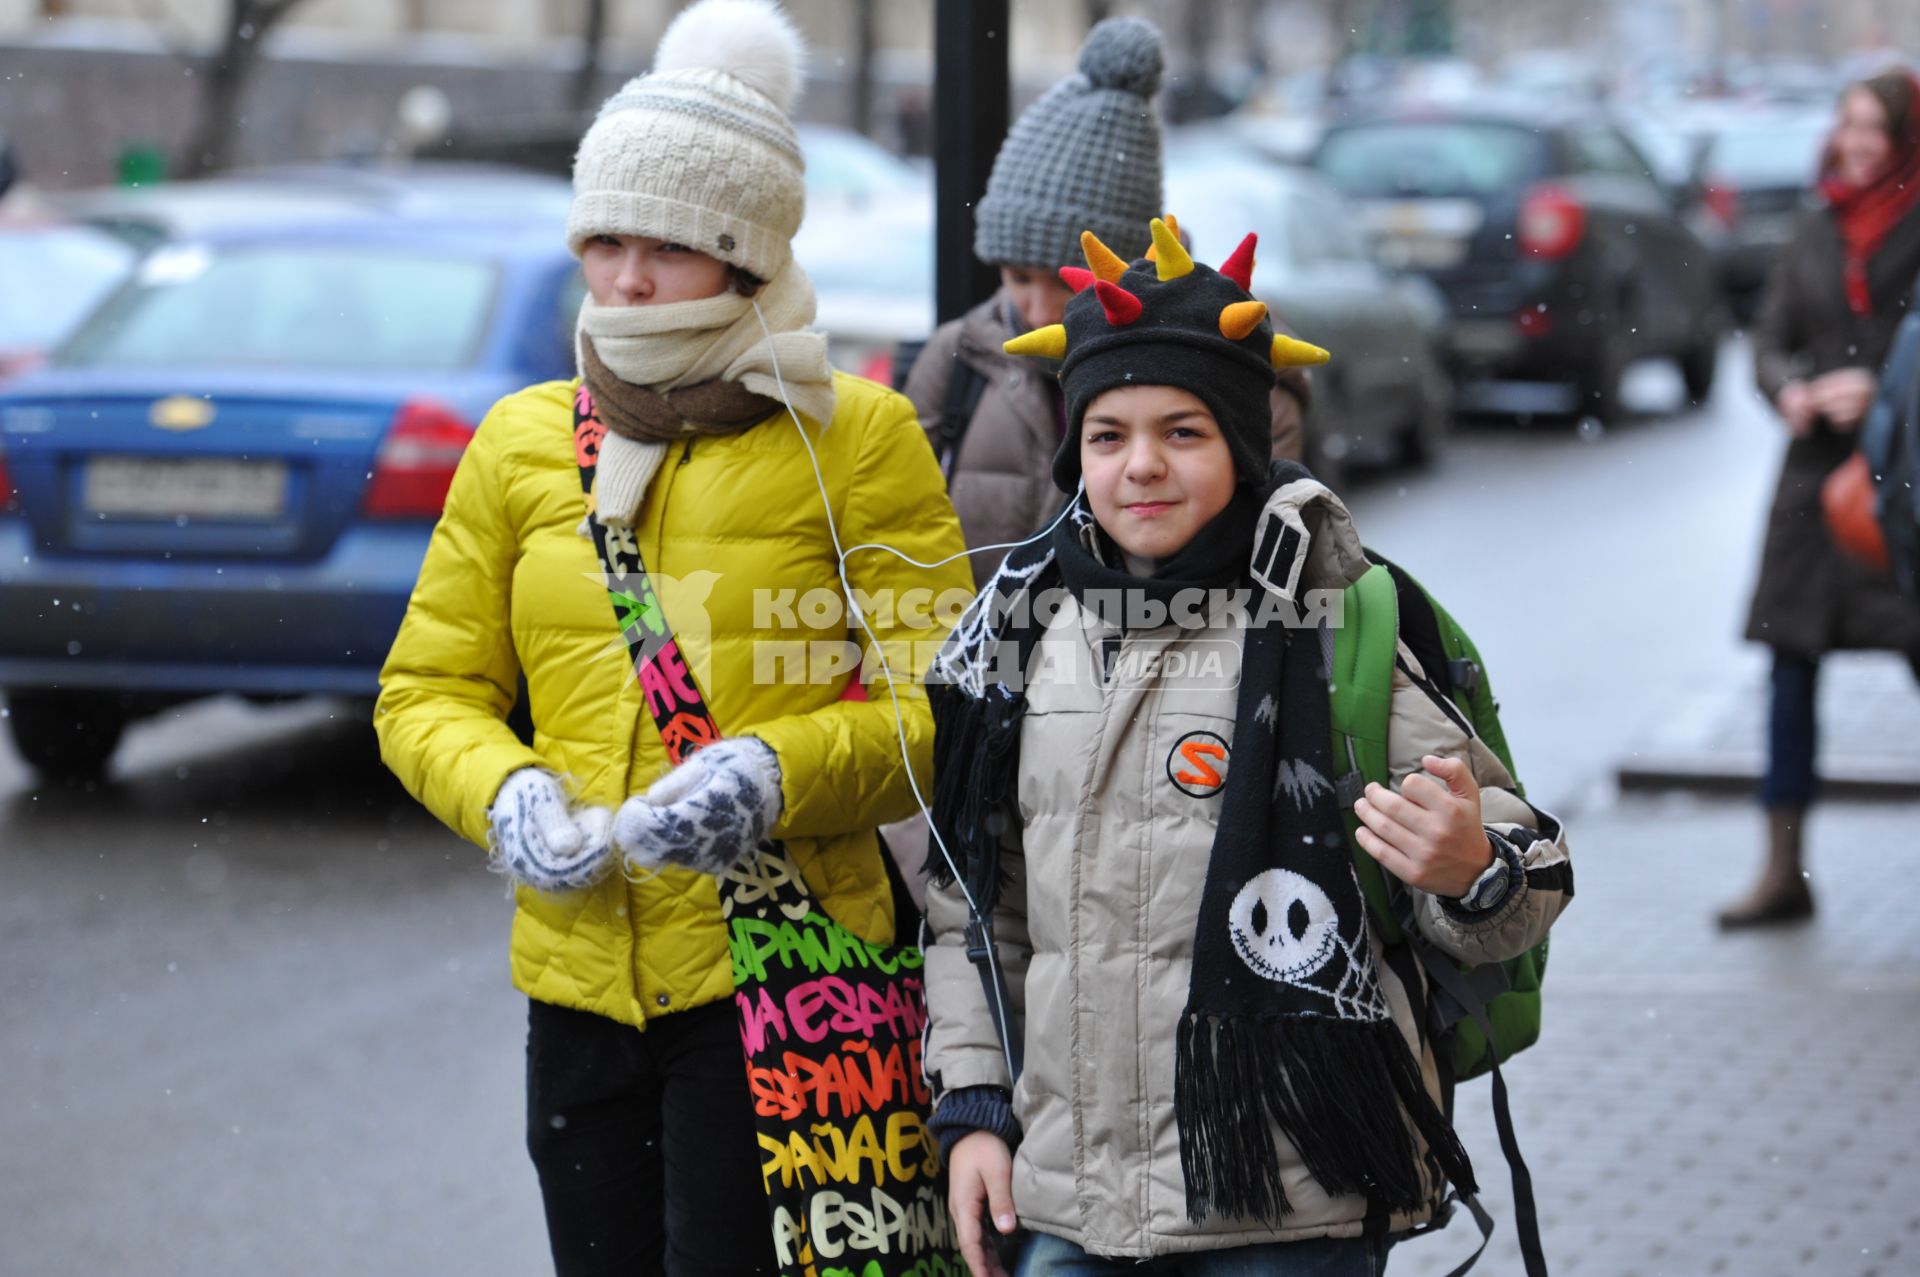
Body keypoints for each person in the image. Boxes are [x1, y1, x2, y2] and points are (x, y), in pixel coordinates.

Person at [373, 2, 970, 1272]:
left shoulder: (853, 434)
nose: (629, 281)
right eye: (604, 242)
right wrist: (508, 793)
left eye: (670, 248)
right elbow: (424, 689)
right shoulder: (522, 439)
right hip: (577, 987)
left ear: (749, 259)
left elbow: (950, 706)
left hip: (781, 975)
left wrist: (774, 776)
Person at [919, 220, 1574, 1276]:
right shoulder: (1024, 630)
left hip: (1289, 1211)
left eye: (1184, 431)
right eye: (1108, 434)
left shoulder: (1331, 623)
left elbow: (1530, 866)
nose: (1141, 465)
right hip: (1069, 1205)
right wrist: (976, 1104)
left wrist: (1472, 868)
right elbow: (971, 906)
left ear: (1241, 444)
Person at [902, 17, 1312, 592]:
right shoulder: (959, 355)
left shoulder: (1237, 362)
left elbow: (1258, 565)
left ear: (1131, 262)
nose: (1038, 308)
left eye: (1066, 284)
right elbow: (899, 529)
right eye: (1018, 276)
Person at [1724, 67, 1920, 929]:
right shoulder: (1814, 224)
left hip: (1903, 478)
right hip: (1813, 485)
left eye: (1875, 129)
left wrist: (1880, 390)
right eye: (1848, 125)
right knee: (1790, 669)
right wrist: (1791, 389)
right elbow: (1768, 340)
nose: (1857, 143)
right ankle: (1782, 868)